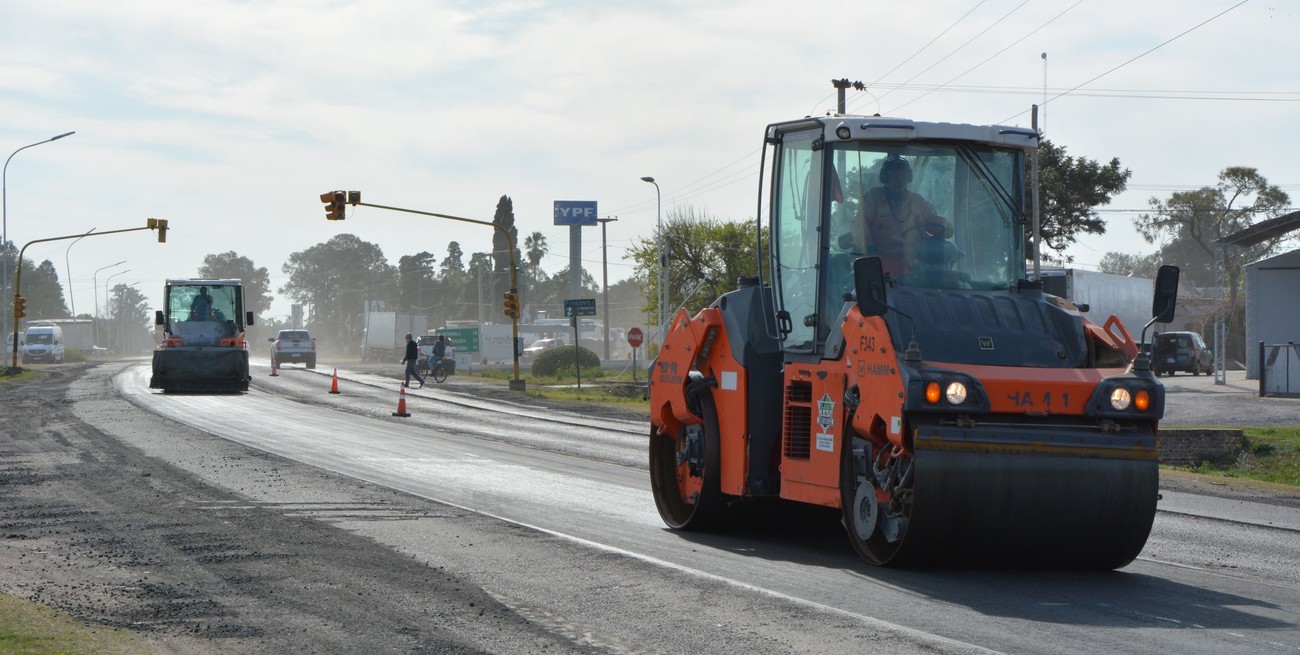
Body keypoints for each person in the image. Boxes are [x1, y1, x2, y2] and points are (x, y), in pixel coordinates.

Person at [851, 156, 952, 277]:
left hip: (916, 266)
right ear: (885, 177)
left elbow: (933, 220)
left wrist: (945, 227)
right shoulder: (873, 199)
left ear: (908, 177)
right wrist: (869, 248)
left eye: (902, 174)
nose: (899, 178)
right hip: (883, 265)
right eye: (894, 174)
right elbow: (859, 224)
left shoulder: (917, 201)